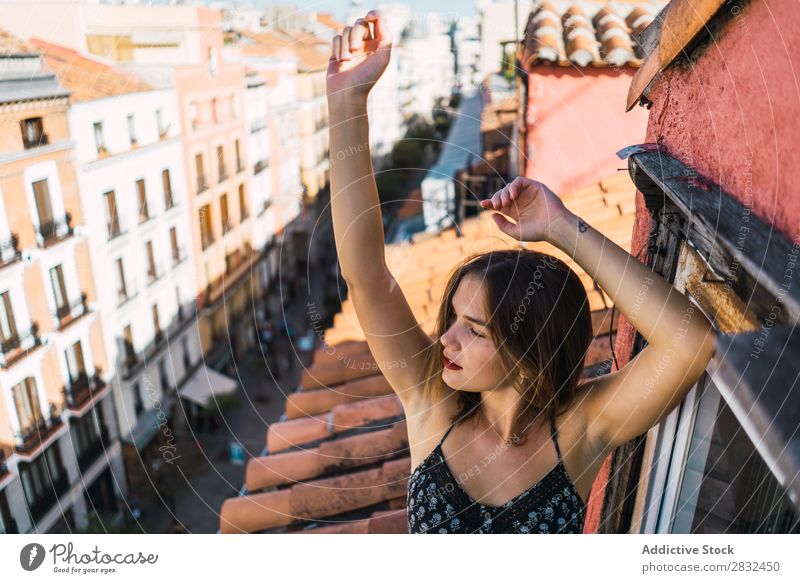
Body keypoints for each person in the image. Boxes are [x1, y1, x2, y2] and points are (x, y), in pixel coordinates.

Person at [327, 11, 717, 534]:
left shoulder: (582, 427)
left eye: (475, 330)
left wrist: (560, 226)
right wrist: (347, 102)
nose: (447, 338)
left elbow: (689, 343)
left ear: (530, 347)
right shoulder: (431, 397)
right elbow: (366, 275)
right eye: (455, 318)